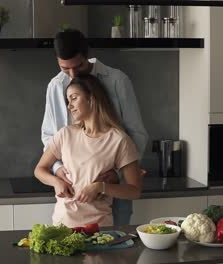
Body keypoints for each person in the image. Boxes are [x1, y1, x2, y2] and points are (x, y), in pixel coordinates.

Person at [41, 29, 148, 225]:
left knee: (116, 247)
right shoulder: (56, 86)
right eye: (65, 69)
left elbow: (136, 134)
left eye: (78, 65)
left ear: (87, 55)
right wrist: (58, 171)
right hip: (73, 195)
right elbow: (49, 135)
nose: (72, 74)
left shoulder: (117, 81)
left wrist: (117, 174)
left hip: (116, 187)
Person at [35, 74, 143, 227]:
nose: (69, 105)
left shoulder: (119, 140)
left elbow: (135, 191)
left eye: (74, 98)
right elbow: (40, 170)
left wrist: (101, 187)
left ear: (91, 98)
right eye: (68, 100)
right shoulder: (65, 134)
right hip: (62, 226)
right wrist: (56, 182)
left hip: (99, 229)